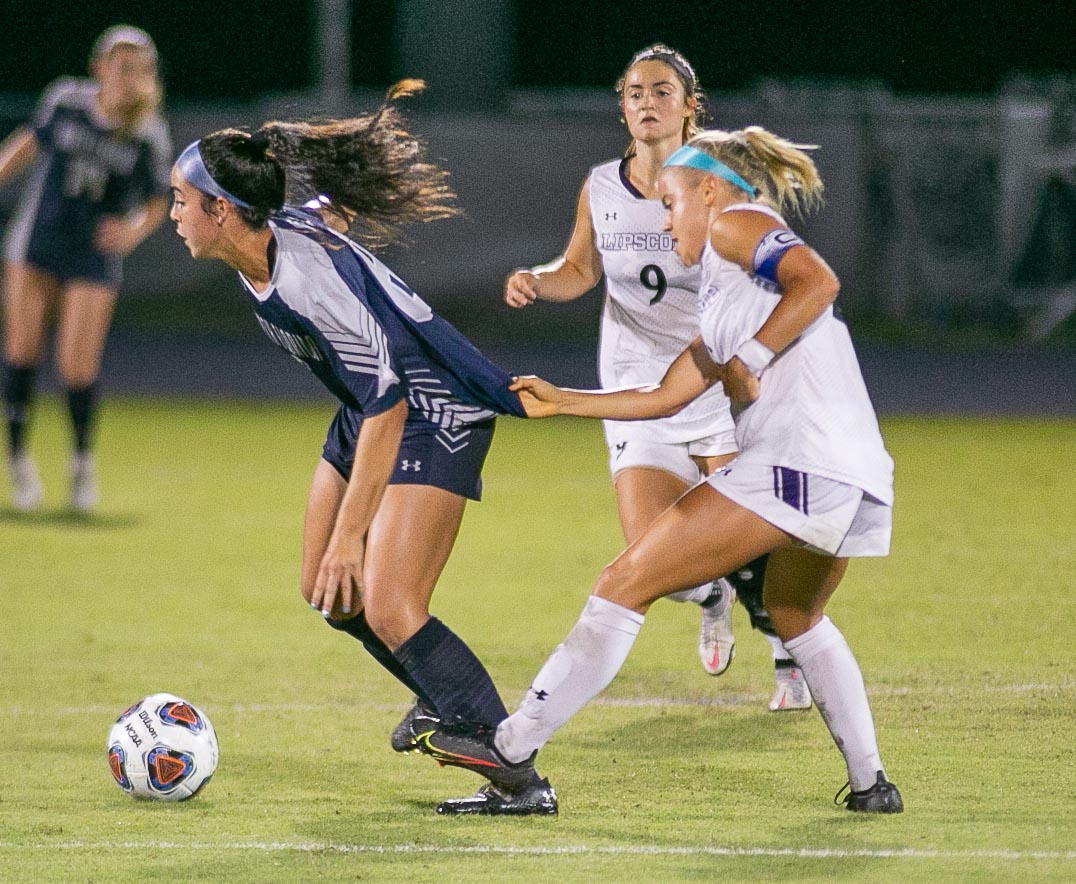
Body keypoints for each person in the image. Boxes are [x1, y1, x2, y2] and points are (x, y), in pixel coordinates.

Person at [425, 127, 903, 814]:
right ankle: (871, 786)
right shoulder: (723, 294)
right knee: (797, 612)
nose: (664, 217)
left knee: (624, 581)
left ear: (709, 190)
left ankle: (511, 750)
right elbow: (666, 395)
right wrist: (564, 402)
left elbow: (818, 281)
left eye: (672, 201)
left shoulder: (739, 222)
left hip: (798, 459)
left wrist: (758, 358)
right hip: (851, 471)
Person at [168, 81, 557, 816]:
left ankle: (518, 773)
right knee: (329, 591)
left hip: (429, 408)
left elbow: (391, 405)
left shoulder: (306, 284)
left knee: (389, 602)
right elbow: (331, 213)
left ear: (221, 210)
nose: (172, 215)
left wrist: (354, 534)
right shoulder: (275, 234)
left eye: (181, 201)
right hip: (371, 406)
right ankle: (445, 700)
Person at [503, 44, 807, 710]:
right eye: (635, 92)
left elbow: (759, 274)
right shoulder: (600, 185)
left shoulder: (717, 184)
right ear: (622, 107)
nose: (647, 102)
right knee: (655, 555)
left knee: (752, 531)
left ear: (690, 107)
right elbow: (580, 270)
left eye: (662, 91)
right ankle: (711, 594)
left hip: (715, 381)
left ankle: (790, 653)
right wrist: (537, 279)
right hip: (636, 386)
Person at [1, 25, 172, 512]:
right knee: (21, 353)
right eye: (123, 66)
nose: (131, 76)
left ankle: (80, 462)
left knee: (77, 365)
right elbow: (25, 144)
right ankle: (17, 458)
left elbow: (159, 200)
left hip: (92, 254)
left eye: (140, 68)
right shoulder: (66, 100)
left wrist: (133, 231)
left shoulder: (146, 130)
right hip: (36, 241)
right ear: (100, 68)